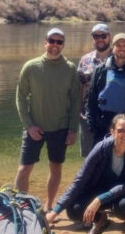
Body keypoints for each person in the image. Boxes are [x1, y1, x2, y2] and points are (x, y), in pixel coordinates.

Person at [46, 114, 125, 234]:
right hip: (104, 188)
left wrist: (100, 199)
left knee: (124, 207)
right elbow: (80, 180)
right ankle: (100, 221)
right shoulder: (101, 148)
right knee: (74, 210)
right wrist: (55, 212)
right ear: (112, 131)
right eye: (120, 130)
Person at [14, 27, 80, 211]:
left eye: (59, 42)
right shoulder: (31, 67)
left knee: (55, 167)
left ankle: (49, 206)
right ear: (45, 42)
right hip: (34, 127)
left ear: (63, 45)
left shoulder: (69, 69)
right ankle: (21, 207)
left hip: (60, 128)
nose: (55, 45)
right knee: (24, 169)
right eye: (52, 41)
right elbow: (20, 97)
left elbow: (75, 101)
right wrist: (29, 126)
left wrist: (73, 129)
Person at [86, 33, 125, 146]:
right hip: (103, 125)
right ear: (113, 48)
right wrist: (93, 126)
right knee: (103, 162)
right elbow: (91, 100)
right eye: (118, 45)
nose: (121, 48)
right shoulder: (100, 70)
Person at [77, 22, 111, 157]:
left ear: (109, 37)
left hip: (112, 115)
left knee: (111, 154)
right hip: (88, 116)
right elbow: (80, 88)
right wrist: (78, 112)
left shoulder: (119, 58)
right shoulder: (85, 60)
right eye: (96, 36)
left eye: (103, 36)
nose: (100, 39)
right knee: (89, 156)